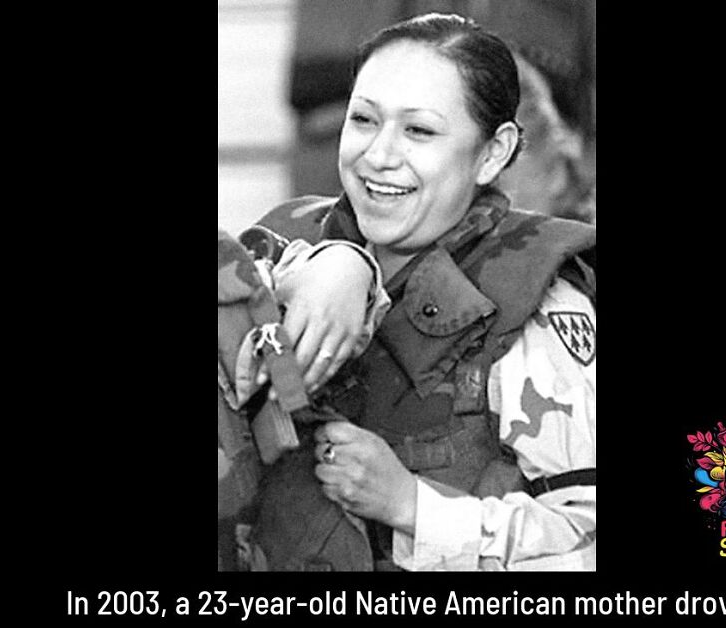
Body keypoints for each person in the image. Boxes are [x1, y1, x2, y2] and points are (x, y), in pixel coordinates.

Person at [240, 12, 596, 571]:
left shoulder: (535, 300)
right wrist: (321, 267)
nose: (379, 156)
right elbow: (260, 408)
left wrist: (410, 506)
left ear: (493, 154)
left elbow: (586, 539)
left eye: (420, 131)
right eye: (363, 120)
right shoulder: (279, 247)